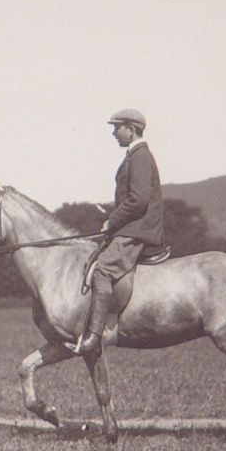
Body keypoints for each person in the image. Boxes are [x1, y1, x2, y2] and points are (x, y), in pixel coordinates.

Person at [72, 108, 165, 355]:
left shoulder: (140, 156)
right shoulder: (134, 155)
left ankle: (94, 337)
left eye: (117, 127)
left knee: (102, 270)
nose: (114, 133)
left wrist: (112, 221)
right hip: (132, 227)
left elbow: (138, 200)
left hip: (137, 230)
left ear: (131, 129)